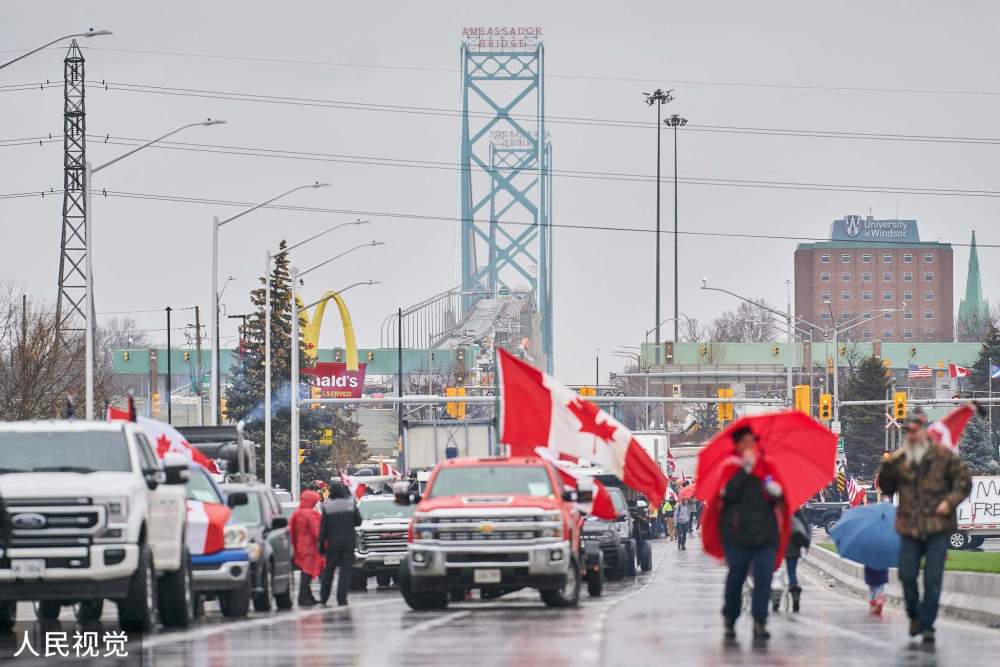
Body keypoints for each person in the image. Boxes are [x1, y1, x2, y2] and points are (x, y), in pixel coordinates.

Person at [877, 414, 972, 644]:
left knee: (933, 578)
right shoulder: (900, 461)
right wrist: (887, 466)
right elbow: (887, 488)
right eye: (906, 432)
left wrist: (949, 502)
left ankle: (927, 624)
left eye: (913, 431)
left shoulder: (943, 457)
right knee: (907, 575)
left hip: (936, 527)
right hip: (909, 528)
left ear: (923, 432)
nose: (909, 435)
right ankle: (914, 615)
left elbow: (964, 482)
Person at [719, 425, 783, 641]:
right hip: (737, 535)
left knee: (763, 578)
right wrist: (744, 472)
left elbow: (779, 497)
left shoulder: (766, 467)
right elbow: (727, 496)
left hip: (765, 534)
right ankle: (731, 616)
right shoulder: (730, 468)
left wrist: (775, 490)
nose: (749, 446)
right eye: (744, 442)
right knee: (736, 576)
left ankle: (759, 621)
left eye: (751, 442)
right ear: (737, 446)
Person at [317, 480, 363, 606]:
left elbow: (323, 529)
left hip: (333, 544)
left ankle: (324, 597)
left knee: (328, 571)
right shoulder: (350, 505)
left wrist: (320, 544)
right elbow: (358, 522)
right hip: (348, 544)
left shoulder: (327, 507)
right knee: (345, 572)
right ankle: (341, 599)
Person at [289, 490, 324, 606]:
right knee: (308, 571)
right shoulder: (311, 514)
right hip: (311, 547)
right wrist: (324, 543)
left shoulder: (296, 513)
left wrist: (294, 545)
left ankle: (308, 596)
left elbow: (291, 531)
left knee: (306, 570)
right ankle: (303, 597)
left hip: (300, 546)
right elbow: (317, 532)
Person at [784, 509, 810, 612]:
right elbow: (805, 525)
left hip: (774, 543)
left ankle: (773, 594)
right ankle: (794, 590)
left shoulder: (771, 503)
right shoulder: (795, 507)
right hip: (792, 545)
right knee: (792, 572)